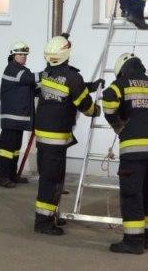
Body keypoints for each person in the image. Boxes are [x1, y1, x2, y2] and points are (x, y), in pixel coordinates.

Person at [32, 35, 102, 235]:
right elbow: (84, 105)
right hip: (56, 139)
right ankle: (43, 223)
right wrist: (96, 110)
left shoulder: (47, 74)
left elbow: (69, 87)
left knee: (48, 178)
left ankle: (50, 216)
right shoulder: (72, 77)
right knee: (52, 181)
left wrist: (91, 86)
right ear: (67, 54)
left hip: (43, 137)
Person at [100, 52, 148, 254]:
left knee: (132, 194)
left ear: (122, 70)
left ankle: (133, 241)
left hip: (134, 148)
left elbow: (108, 98)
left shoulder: (121, 84)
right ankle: (147, 238)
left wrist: (117, 124)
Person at [0, 41, 37, 188]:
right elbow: (31, 79)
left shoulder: (21, 70)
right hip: (11, 119)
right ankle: (2, 177)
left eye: (25, 54)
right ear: (13, 55)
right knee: (7, 150)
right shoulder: (13, 70)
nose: (24, 57)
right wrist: (51, 72)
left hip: (18, 119)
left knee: (14, 150)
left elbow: (31, 87)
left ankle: (12, 175)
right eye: (20, 54)